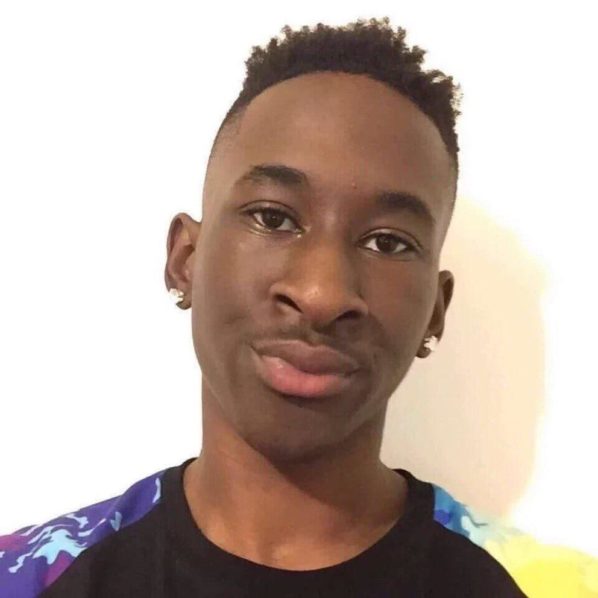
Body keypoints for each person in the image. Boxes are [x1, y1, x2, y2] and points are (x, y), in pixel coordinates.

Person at [0, 17, 531, 597]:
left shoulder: (537, 586)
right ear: (185, 259)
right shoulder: (30, 578)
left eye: (388, 243)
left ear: (435, 311)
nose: (322, 294)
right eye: (273, 217)